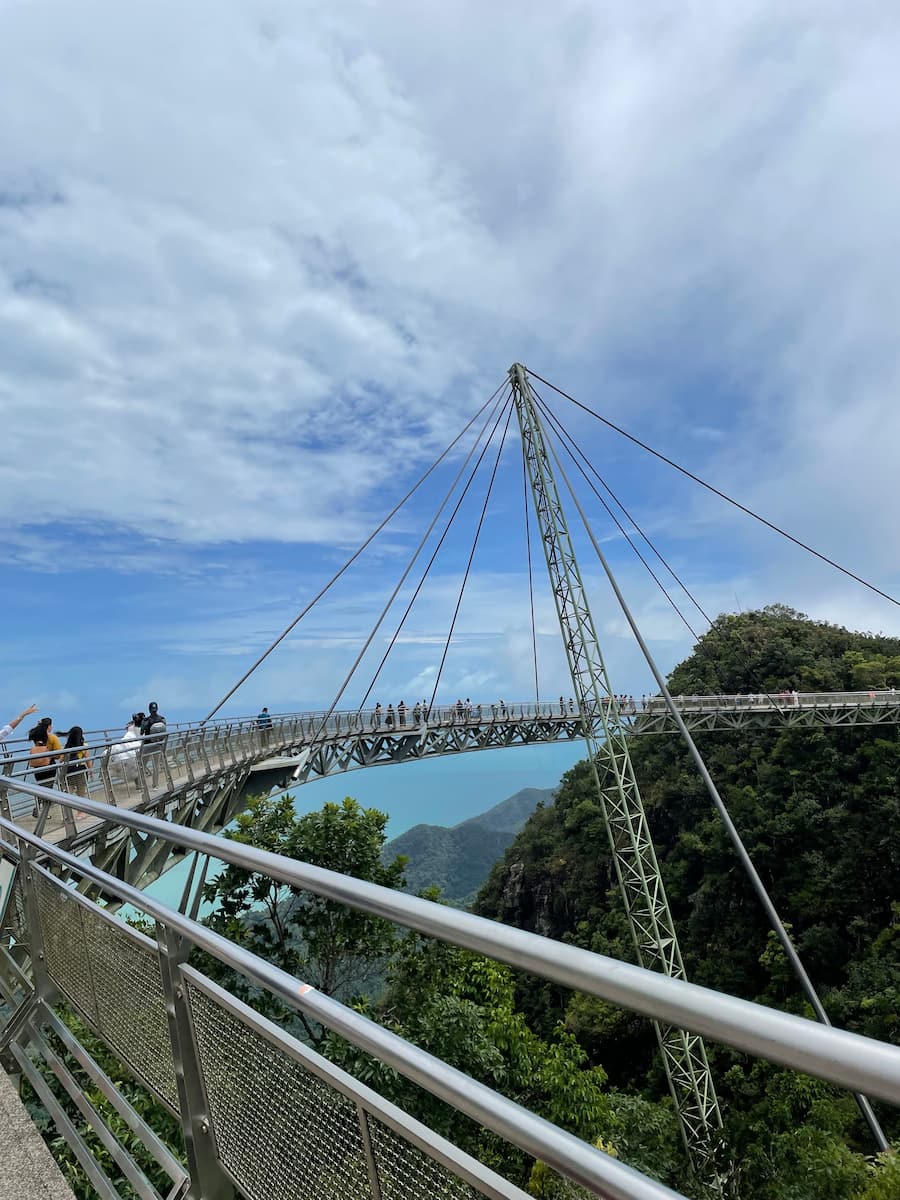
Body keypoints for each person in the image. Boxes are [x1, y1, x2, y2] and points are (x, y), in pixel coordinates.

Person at [62, 726, 92, 813]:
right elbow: (87, 760)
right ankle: (80, 813)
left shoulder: (67, 747)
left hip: (69, 770)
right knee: (81, 793)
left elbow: (61, 759)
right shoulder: (84, 746)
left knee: (68, 792)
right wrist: (90, 771)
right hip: (80, 770)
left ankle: (67, 814)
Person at [28, 726, 56, 818]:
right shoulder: (46, 748)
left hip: (37, 771)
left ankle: (37, 809)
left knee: (41, 789)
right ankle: (44, 813)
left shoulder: (33, 749)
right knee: (47, 792)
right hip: (48, 771)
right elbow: (49, 760)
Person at [140, 702, 167, 787]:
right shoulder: (162, 719)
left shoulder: (146, 721)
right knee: (156, 766)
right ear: (157, 709)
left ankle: (142, 785)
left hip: (147, 745)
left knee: (142, 766)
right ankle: (155, 784)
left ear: (149, 710)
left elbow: (141, 732)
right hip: (158, 745)